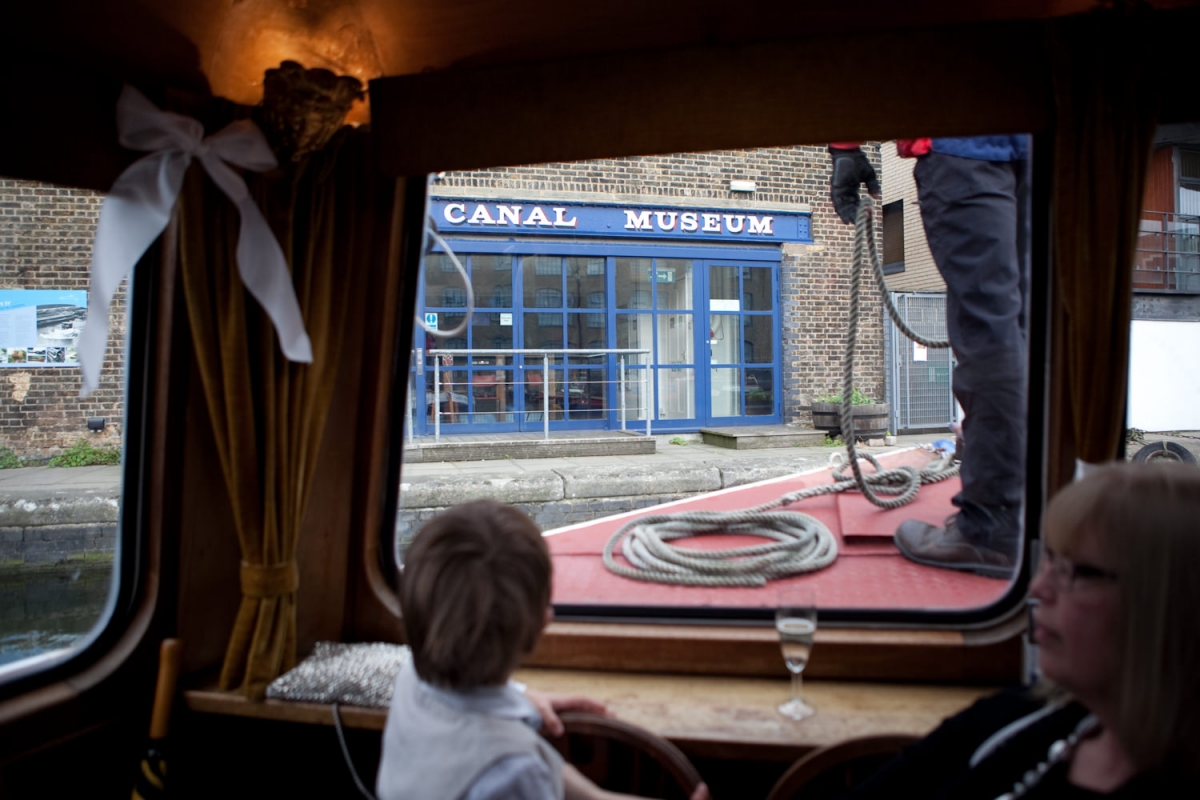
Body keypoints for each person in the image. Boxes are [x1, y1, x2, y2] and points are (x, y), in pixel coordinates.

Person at [839, 461, 1200, 797]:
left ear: (1170, 604)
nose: (1037, 590)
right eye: (1050, 561)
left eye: (1078, 573)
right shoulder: (1018, 716)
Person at [376, 499, 710, 800]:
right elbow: (516, 768)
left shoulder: (412, 677)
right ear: (541, 626)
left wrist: (519, 696)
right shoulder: (514, 772)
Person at [829, 137, 1031, 578]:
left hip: (967, 139)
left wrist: (844, 146)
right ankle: (1028, 495)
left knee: (987, 325)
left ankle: (992, 525)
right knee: (1026, 320)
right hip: (1047, 140)